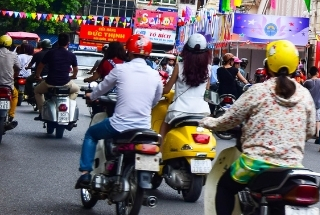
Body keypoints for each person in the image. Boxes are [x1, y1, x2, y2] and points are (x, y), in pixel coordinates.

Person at [198, 40, 316, 215]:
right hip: (293, 168)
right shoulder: (304, 94)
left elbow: (229, 120)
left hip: (256, 164)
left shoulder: (257, 91)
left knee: (225, 185)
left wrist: (209, 122)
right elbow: (311, 131)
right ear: (296, 66)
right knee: (283, 196)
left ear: (268, 65)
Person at [76, 34, 163, 188]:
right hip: (143, 128)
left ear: (128, 51)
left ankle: (86, 174)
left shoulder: (120, 69)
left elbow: (102, 88)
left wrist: (91, 95)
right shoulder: (155, 74)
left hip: (119, 125)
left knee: (91, 134)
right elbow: (156, 100)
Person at [160, 34, 211, 139]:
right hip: (202, 112)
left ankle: (160, 153)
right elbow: (207, 91)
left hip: (178, 112)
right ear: (206, 53)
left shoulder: (179, 66)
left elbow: (167, 90)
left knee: (163, 128)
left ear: (186, 51)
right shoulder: (208, 69)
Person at [32, 33, 79, 116]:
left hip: (50, 82)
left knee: (37, 91)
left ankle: (43, 111)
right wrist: (73, 76)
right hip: (66, 83)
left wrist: (37, 76)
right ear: (68, 43)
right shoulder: (71, 55)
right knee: (76, 90)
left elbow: (40, 66)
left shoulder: (50, 53)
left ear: (58, 42)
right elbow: (75, 69)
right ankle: (68, 105)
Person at [0, 34, 19, 129]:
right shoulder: (13, 55)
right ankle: (11, 115)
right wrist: (15, 75)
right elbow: (18, 67)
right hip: (8, 85)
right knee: (15, 95)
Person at [302, 66, 320, 137]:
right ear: (317, 73)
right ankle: (318, 133)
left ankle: (306, 133)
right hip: (319, 103)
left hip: (309, 104)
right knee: (318, 118)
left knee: (307, 118)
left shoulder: (307, 82)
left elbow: (303, 92)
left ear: (310, 74)